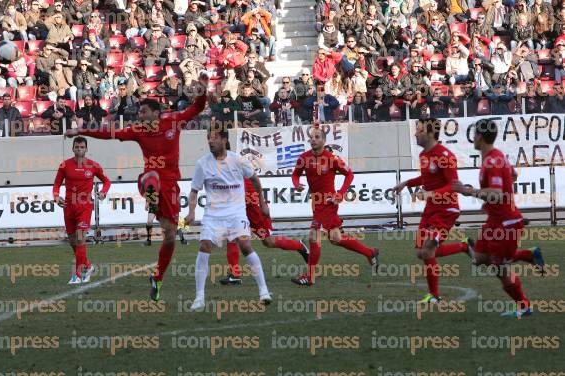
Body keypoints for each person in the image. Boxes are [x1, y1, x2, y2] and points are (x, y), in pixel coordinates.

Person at [64, 72, 208, 302]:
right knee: (152, 175)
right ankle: (151, 199)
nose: (139, 115)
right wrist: (80, 131)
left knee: (170, 236)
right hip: (148, 180)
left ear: (155, 112)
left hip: (170, 186)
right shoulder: (138, 131)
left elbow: (197, 107)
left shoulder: (173, 121)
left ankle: (158, 278)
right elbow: (109, 133)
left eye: (143, 112)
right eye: (139, 112)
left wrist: (203, 88)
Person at [452, 119, 545, 317]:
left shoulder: (492, 160)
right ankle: (528, 255)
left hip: (506, 223)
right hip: (495, 221)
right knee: (478, 259)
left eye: (475, 133)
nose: (474, 137)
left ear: (480, 137)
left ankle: (524, 306)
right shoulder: (496, 157)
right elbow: (514, 175)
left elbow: (494, 193)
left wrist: (469, 192)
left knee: (500, 267)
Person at [184, 127, 272, 310]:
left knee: (245, 245)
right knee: (204, 246)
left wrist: (263, 203)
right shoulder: (202, 164)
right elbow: (194, 191)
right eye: (208, 138)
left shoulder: (238, 160)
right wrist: (191, 212)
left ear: (224, 140)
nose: (210, 141)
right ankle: (199, 298)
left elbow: (255, 180)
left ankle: (264, 291)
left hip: (236, 213)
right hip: (213, 215)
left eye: (214, 138)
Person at [392, 118, 473, 303]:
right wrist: (406, 183)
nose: (415, 133)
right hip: (431, 209)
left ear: (430, 133)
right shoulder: (423, 155)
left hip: (447, 209)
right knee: (421, 252)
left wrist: (430, 194)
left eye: (419, 130)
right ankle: (463, 246)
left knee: (428, 250)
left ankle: (434, 295)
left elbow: (454, 186)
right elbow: (426, 176)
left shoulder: (445, 155)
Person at [290, 127, 379, 286]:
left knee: (313, 236)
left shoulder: (331, 158)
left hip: (329, 202)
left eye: (317, 137)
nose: (313, 139)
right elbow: (295, 174)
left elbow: (349, 174)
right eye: (312, 137)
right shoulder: (304, 158)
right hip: (317, 203)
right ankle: (369, 252)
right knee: (336, 238)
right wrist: (296, 184)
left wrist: (340, 194)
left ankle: (309, 277)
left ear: (324, 141)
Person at [53, 136, 111, 284]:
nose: (79, 149)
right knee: (73, 241)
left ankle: (77, 275)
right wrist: (56, 196)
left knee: (80, 238)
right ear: (73, 148)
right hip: (68, 207)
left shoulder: (93, 166)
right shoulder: (64, 165)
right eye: (77, 147)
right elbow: (56, 184)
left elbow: (106, 181)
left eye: (82, 147)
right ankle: (89, 266)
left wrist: (103, 192)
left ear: (86, 149)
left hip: (84, 207)